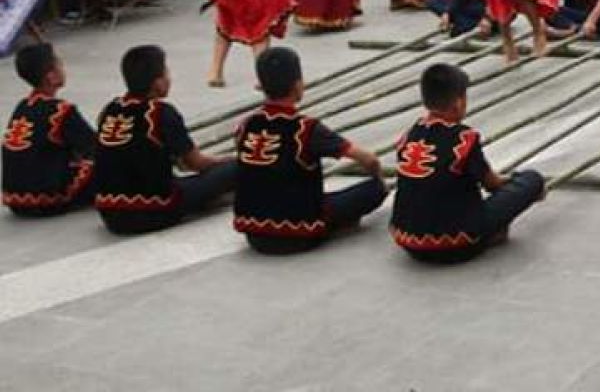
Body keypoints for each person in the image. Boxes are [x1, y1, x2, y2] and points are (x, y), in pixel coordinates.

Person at [233, 47, 388, 254]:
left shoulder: (245, 125)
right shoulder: (306, 128)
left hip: (254, 234)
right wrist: (377, 175)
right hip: (299, 234)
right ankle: (335, 224)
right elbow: (368, 159)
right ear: (298, 85)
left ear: (260, 85)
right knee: (374, 189)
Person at [390, 63, 544, 264]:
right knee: (531, 180)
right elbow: (492, 184)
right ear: (458, 102)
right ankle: (489, 233)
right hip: (457, 244)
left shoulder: (408, 136)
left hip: (408, 242)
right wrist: (515, 182)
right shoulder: (465, 139)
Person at [93, 46, 237, 235]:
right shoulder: (161, 112)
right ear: (157, 83)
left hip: (109, 212)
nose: (169, 78)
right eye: (166, 72)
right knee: (235, 168)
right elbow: (196, 164)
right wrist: (229, 159)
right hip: (152, 210)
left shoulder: (109, 109)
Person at [2, 44, 96, 216]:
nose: (63, 67)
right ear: (51, 77)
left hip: (14, 200)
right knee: (110, 164)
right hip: (45, 200)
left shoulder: (22, 106)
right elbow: (95, 147)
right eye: (59, 63)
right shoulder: (61, 110)